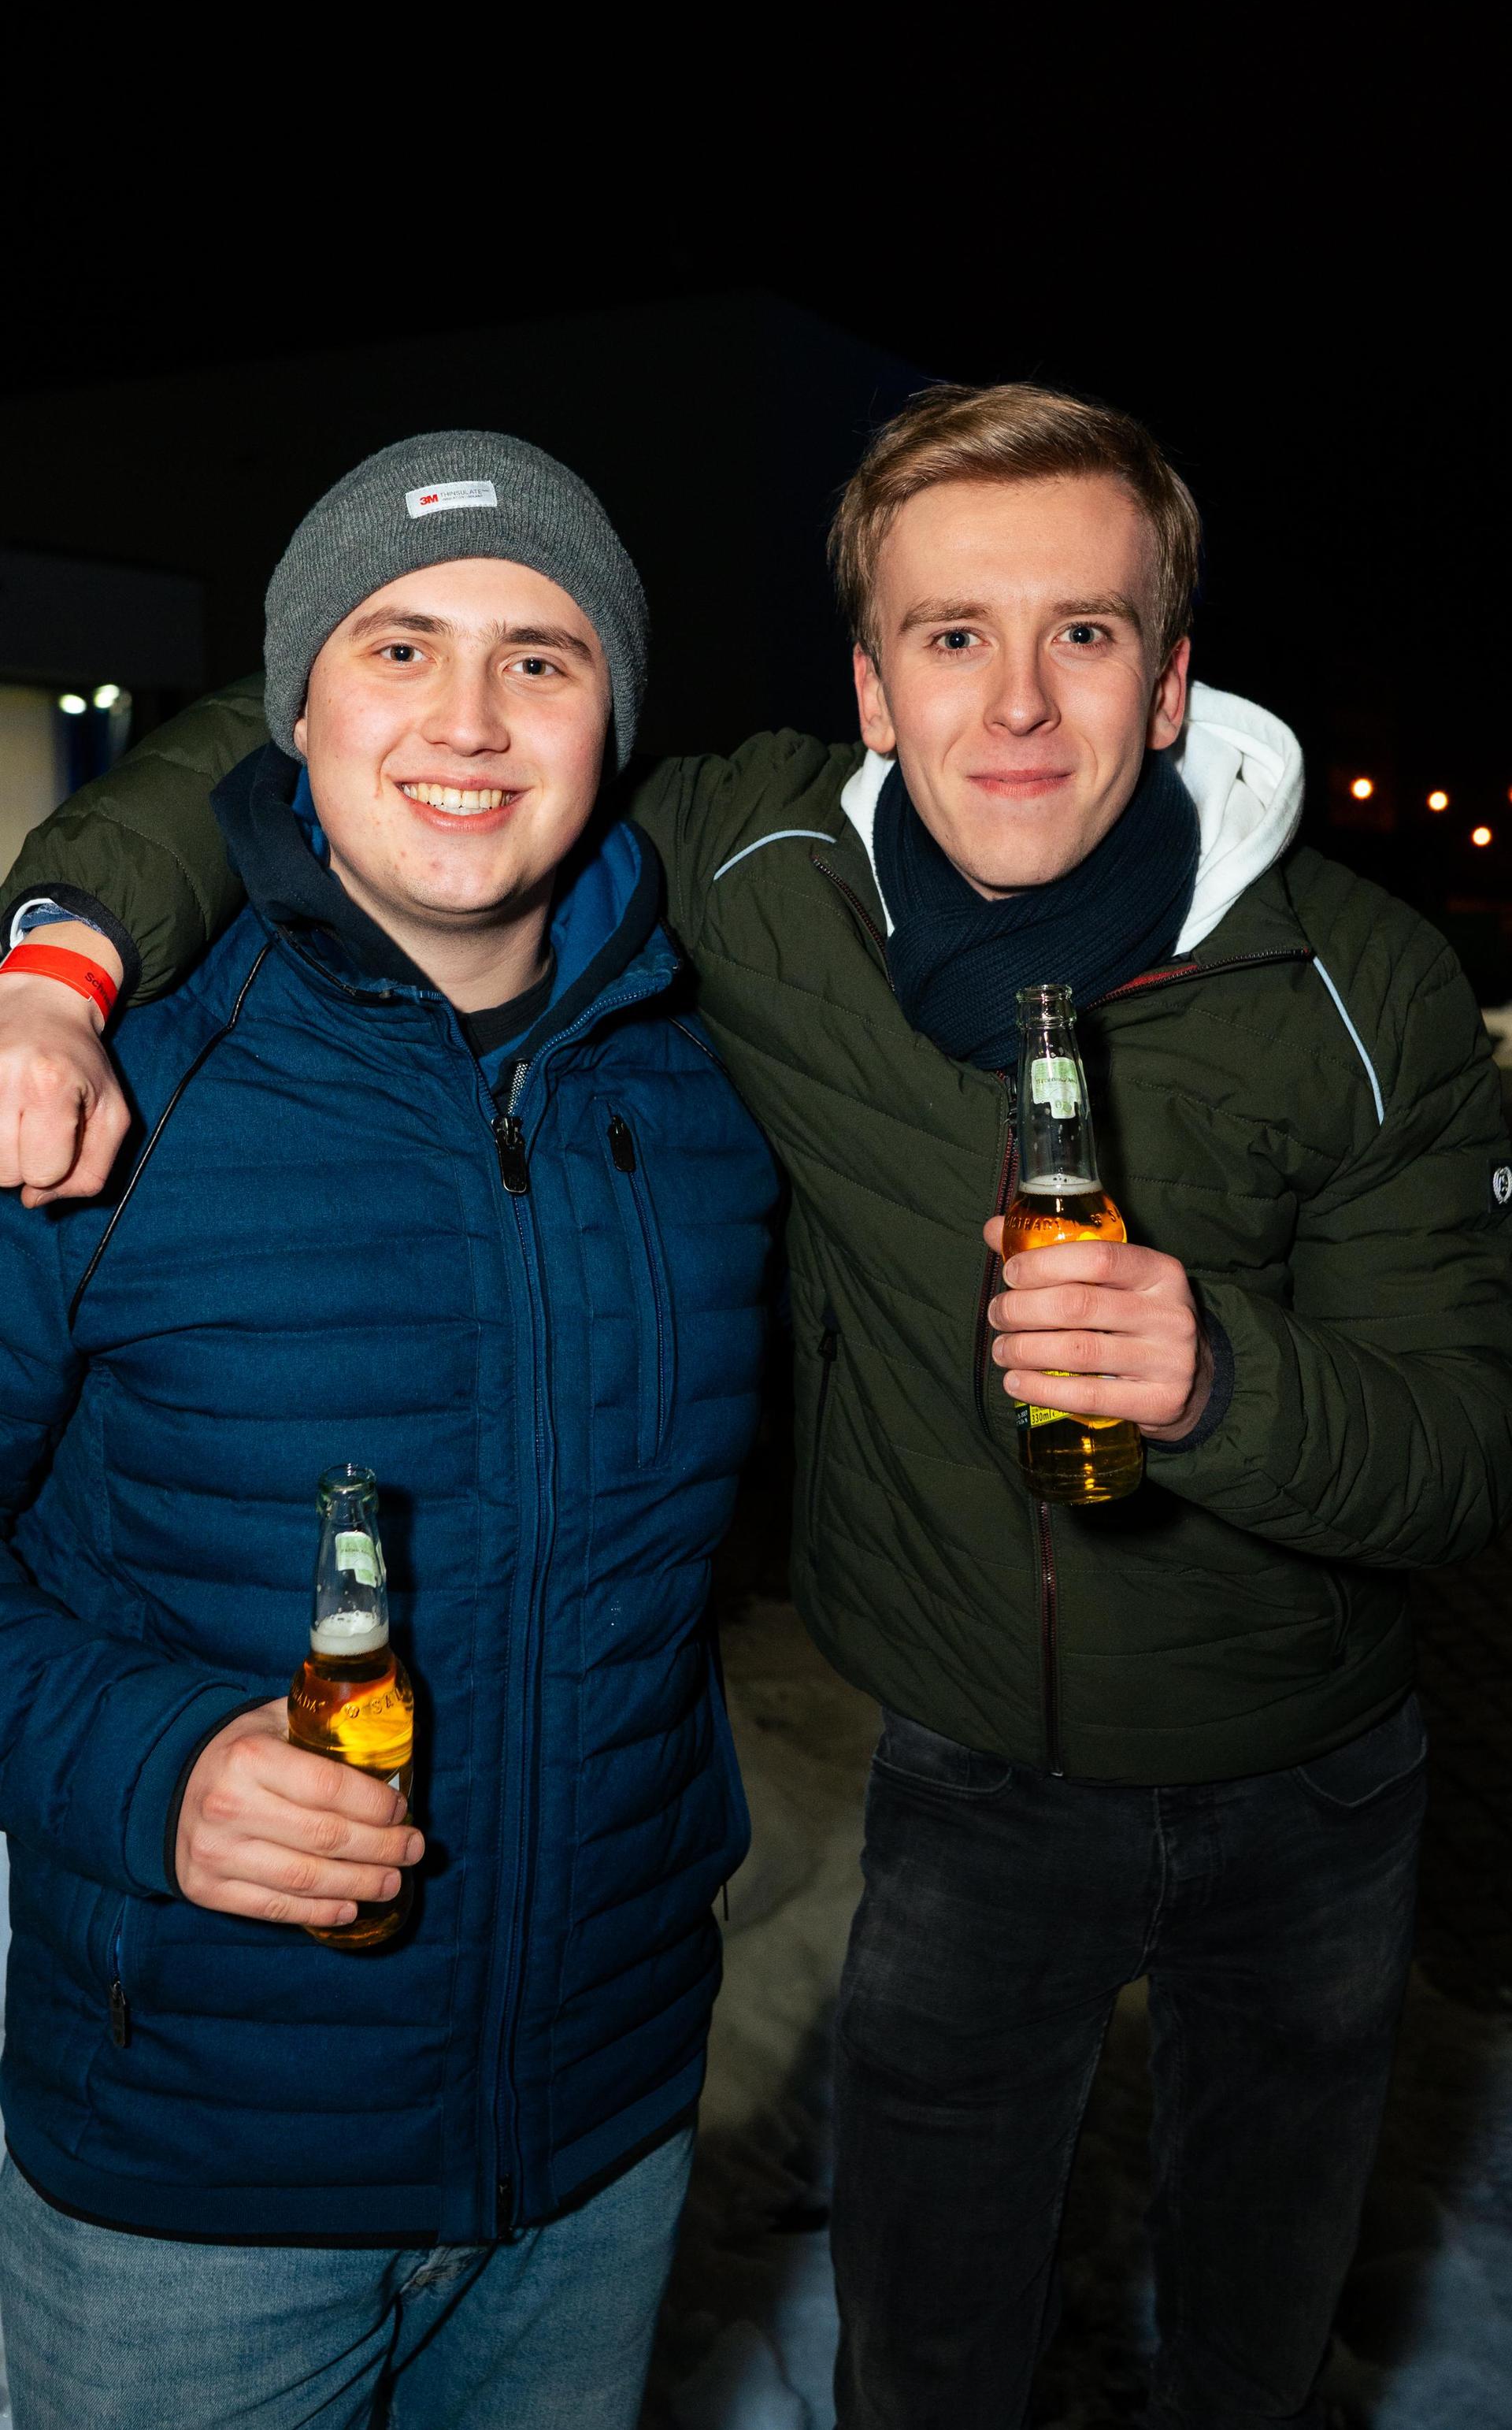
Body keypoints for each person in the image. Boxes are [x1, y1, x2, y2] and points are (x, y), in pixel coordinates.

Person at [5, 384, 1510, 2430]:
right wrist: (60, 955)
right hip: (282, 2123)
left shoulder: (1312, 984)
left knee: (1250, 2334)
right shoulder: (115, 1093)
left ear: (1171, 681)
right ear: (874, 686)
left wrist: (1225, 1378)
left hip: (1147, 1865)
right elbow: (284, 755)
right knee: (932, 2341)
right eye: (950, 634)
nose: (1018, 703)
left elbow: (1456, 1441)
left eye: (1082, 633)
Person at [0, 430, 777, 2430]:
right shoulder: (90, 1095)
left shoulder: (705, 1097)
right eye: (397, 643)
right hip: (194, 2189)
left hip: (599, 2153)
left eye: (543, 656)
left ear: (615, 712)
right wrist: (153, 1764)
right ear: (296, 703)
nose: (468, 717)